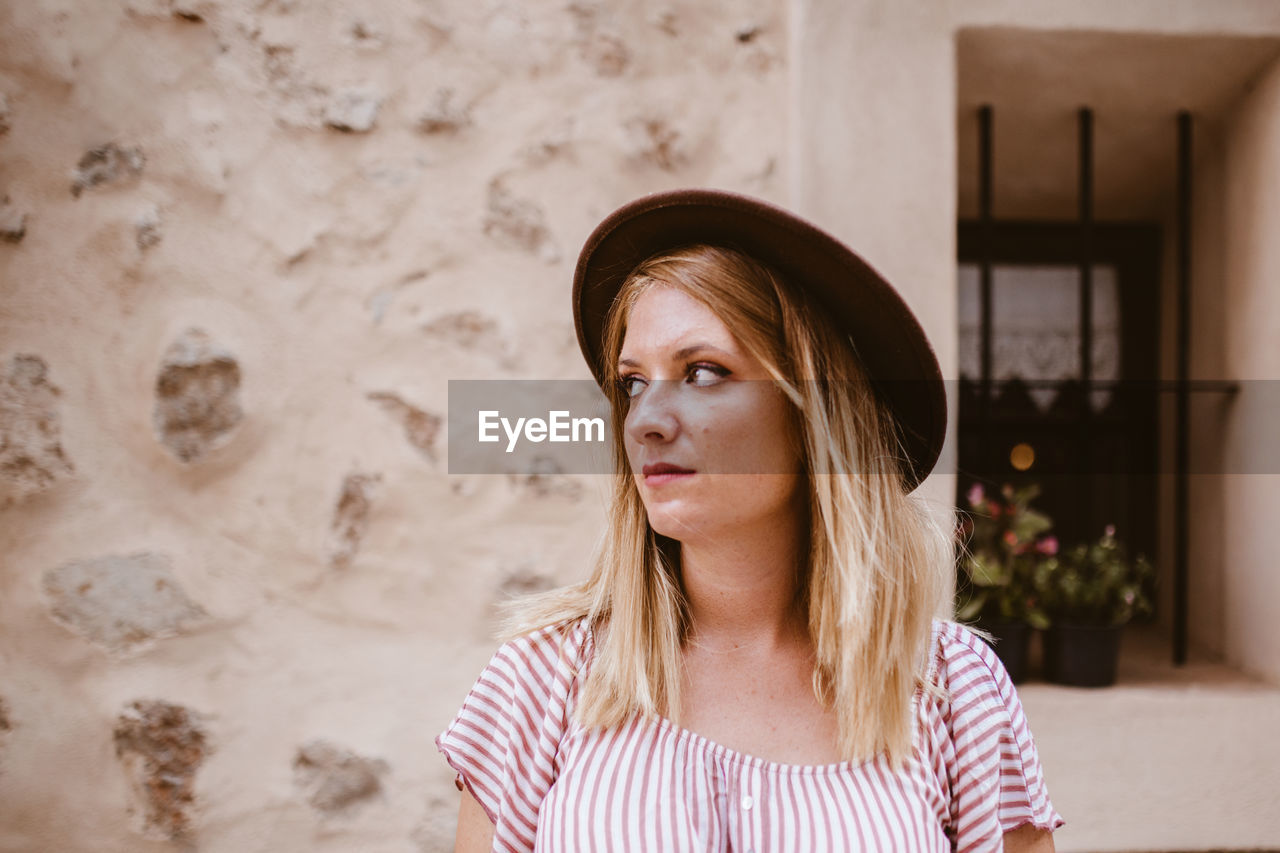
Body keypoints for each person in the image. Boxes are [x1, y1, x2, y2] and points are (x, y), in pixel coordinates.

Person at [437, 189, 1064, 852]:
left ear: (812, 413)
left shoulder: (952, 687)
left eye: (703, 372)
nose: (646, 420)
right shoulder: (545, 676)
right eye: (633, 382)